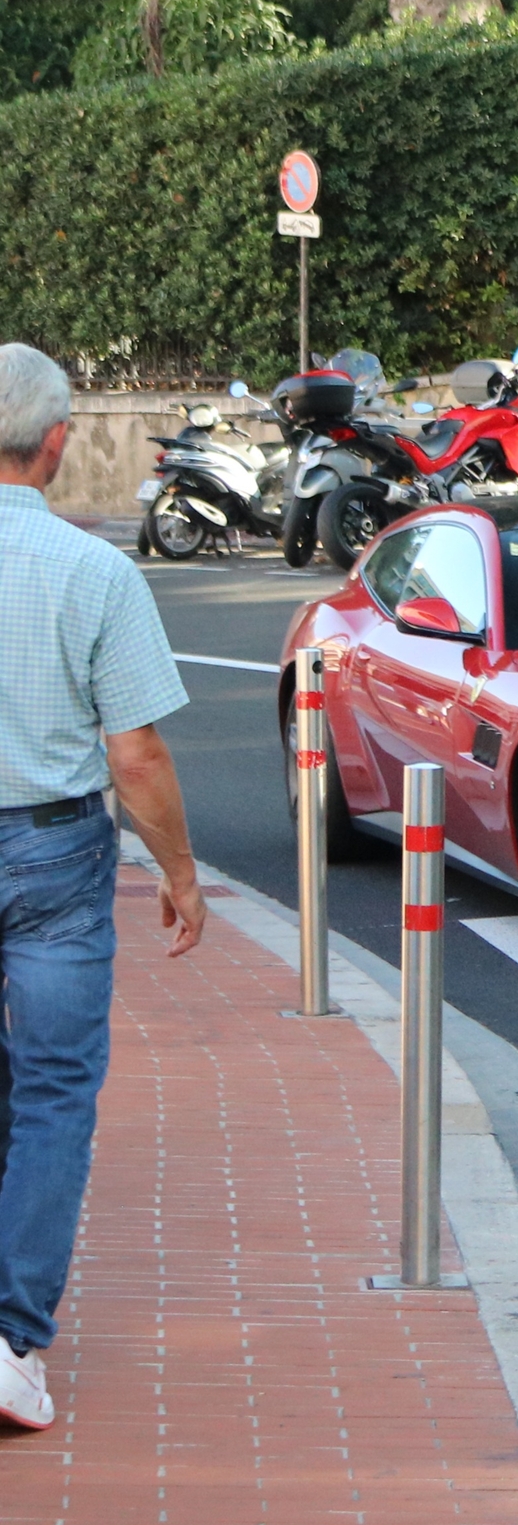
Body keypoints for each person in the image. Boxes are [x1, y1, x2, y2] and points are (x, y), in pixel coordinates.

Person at [0, 343, 201, 1433]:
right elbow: (136, 757)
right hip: (53, 858)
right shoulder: (95, 571)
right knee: (53, 1090)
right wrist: (179, 873)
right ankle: (11, 1339)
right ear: (59, 442)